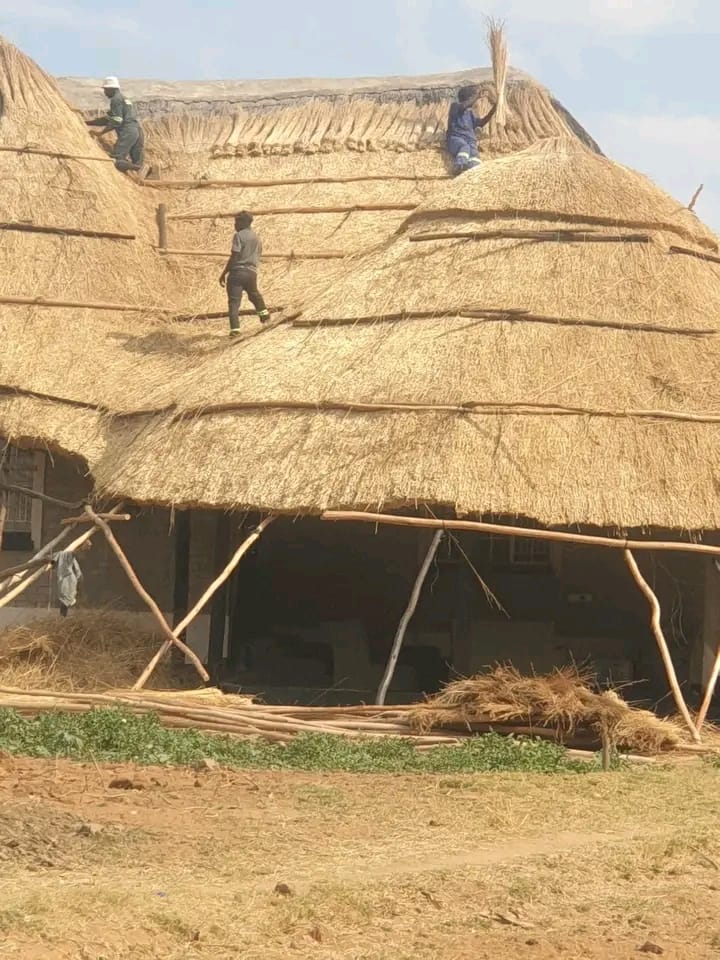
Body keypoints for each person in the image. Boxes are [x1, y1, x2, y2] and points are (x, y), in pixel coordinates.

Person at [219, 211, 270, 336]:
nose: (235, 225)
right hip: (251, 272)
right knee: (254, 295)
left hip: (237, 272)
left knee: (234, 302)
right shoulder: (257, 238)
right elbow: (258, 256)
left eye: (237, 222)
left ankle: (235, 330)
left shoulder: (239, 236)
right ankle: (265, 317)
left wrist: (224, 272)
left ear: (244, 222)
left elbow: (235, 255)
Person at [86, 77, 147, 176]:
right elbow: (107, 119)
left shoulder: (115, 99)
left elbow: (117, 120)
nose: (105, 93)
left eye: (106, 90)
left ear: (112, 89)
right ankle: (141, 169)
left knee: (115, 160)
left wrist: (101, 133)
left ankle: (137, 168)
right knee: (137, 161)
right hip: (137, 130)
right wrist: (87, 122)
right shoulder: (124, 99)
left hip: (128, 131)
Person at [446, 84, 497, 176]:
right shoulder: (455, 107)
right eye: (472, 97)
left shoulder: (470, 113)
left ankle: (474, 173)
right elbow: (463, 106)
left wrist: (494, 110)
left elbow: (481, 123)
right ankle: (458, 166)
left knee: (474, 155)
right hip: (456, 139)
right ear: (468, 98)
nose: (474, 101)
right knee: (465, 147)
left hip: (470, 140)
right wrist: (477, 96)